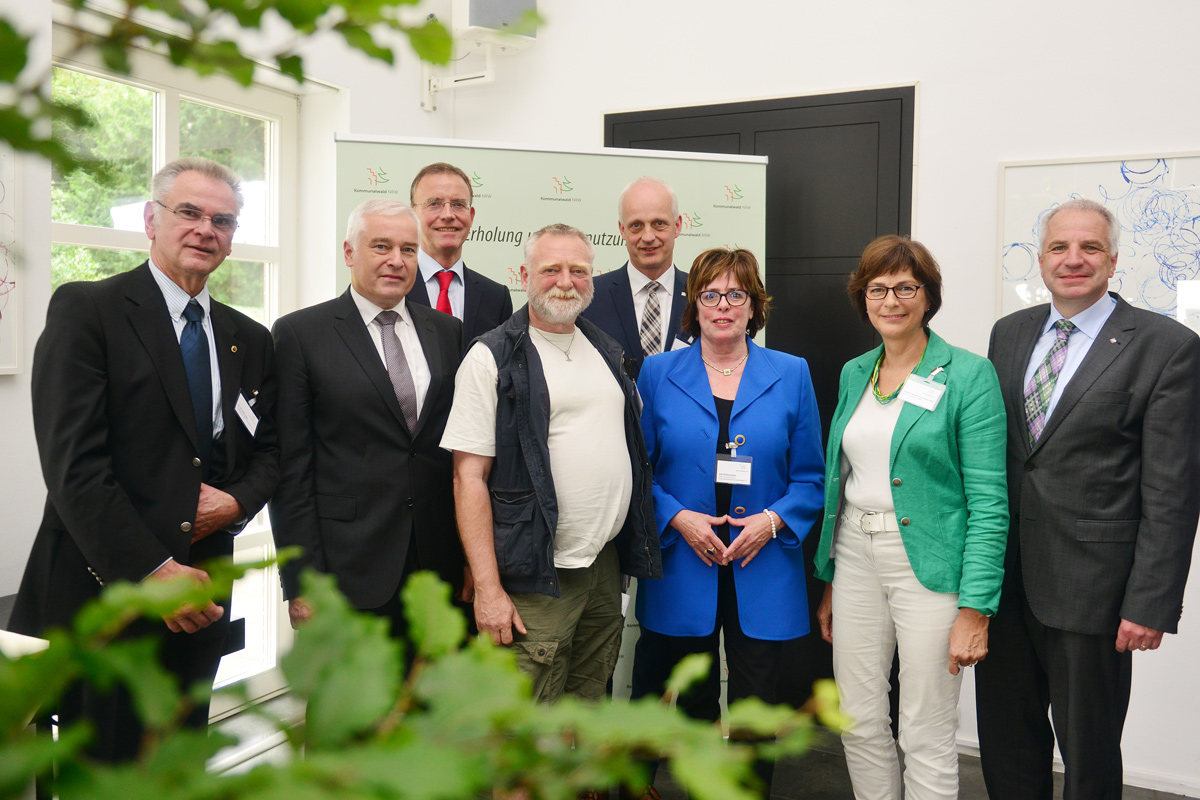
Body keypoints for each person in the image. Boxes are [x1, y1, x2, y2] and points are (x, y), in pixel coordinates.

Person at [9, 157, 279, 761]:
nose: (205, 229)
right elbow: (73, 468)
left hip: (205, 592)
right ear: (150, 219)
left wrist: (237, 501)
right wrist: (157, 573)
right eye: (189, 212)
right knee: (101, 770)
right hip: (103, 594)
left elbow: (270, 450)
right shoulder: (89, 311)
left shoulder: (248, 338)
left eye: (223, 220)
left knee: (176, 758)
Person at [976, 198, 1200, 800]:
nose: (1073, 260)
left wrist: (1152, 602)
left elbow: (1173, 491)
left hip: (1093, 591)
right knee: (1006, 744)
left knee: (1089, 755)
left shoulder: (1167, 346)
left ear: (1113, 259)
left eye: (1089, 248)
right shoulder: (1010, 333)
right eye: (1059, 247)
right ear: (1042, 258)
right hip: (1003, 584)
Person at [811, 235, 1008, 800]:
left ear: (927, 297)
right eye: (878, 289)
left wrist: (976, 607)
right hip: (853, 555)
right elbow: (840, 484)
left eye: (905, 287)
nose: (891, 300)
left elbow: (990, 502)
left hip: (930, 565)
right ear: (863, 298)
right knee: (859, 717)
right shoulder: (856, 373)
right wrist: (829, 581)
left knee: (926, 728)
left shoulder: (968, 375)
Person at [631, 247, 825, 796]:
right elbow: (638, 470)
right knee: (691, 699)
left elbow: (812, 478)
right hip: (683, 562)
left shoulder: (791, 373)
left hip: (759, 563)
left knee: (756, 704)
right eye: (710, 294)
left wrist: (771, 520)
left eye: (736, 294)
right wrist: (678, 518)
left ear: (754, 304)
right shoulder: (658, 371)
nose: (723, 305)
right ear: (694, 304)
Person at [442, 223, 661, 703]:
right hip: (534, 573)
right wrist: (487, 588)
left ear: (594, 277)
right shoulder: (491, 357)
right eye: (551, 269)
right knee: (524, 729)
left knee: (582, 712)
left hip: (603, 565)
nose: (566, 281)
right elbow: (468, 477)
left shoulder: (605, 348)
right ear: (524, 274)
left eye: (578, 271)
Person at [270, 199, 467, 643]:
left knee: (431, 706)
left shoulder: (447, 331)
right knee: (350, 710)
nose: (397, 261)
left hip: (437, 568)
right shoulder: (301, 335)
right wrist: (302, 582)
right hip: (346, 572)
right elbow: (292, 470)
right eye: (381, 246)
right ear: (349, 252)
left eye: (409, 249)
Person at [582, 176, 691, 380]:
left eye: (659, 223)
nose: (648, 237)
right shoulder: (590, 296)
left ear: (678, 225)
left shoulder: (704, 295)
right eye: (636, 226)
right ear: (622, 230)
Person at [408, 162, 513, 344]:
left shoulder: (496, 298)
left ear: (471, 216)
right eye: (434, 203)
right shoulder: (393, 288)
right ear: (413, 215)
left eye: (458, 204)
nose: (448, 215)